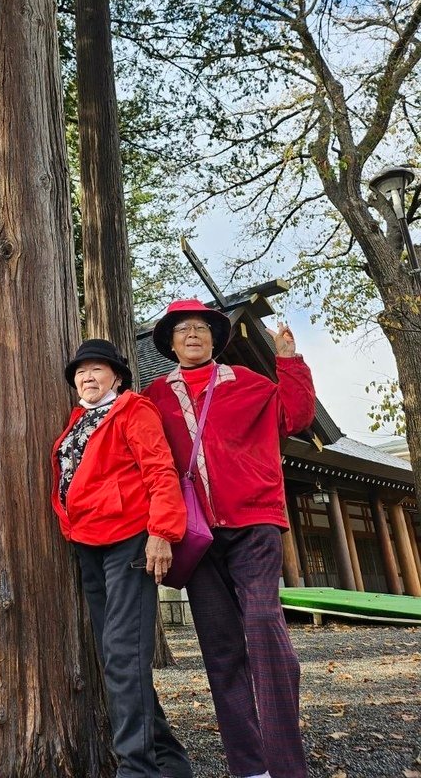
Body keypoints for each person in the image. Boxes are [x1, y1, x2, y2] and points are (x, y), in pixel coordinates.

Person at [143, 299, 316, 778]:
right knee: (221, 650)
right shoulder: (155, 396)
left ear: (214, 340)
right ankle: (250, 767)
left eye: (201, 329)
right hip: (195, 536)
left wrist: (289, 359)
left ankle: (286, 764)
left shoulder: (247, 382)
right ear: (172, 343)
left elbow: (297, 416)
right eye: (183, 331)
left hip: (253, 523)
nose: (193, 335)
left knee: (263, 624)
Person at [51, 338, 193, 778]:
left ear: (117, 375)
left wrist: (163, 532)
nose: (88, 377)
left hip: (130, 539)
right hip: (87, 542)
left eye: (97, 369)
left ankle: (137, 769)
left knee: (121, 654)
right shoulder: (79, 418)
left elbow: (159, 469)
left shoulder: (134, 410)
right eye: (80, 372)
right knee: (116, 656)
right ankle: (168, 762)